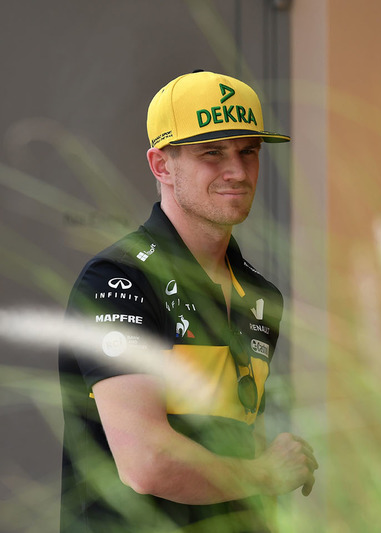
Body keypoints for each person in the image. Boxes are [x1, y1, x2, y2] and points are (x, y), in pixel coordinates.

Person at [59, 70, 318, 533]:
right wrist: (265, 473)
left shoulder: (260, 294)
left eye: (248, 151)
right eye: (211, 153)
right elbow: (147, 463)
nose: (237, 171)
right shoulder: (119, 278)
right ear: (161, 165)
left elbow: (238, 438)